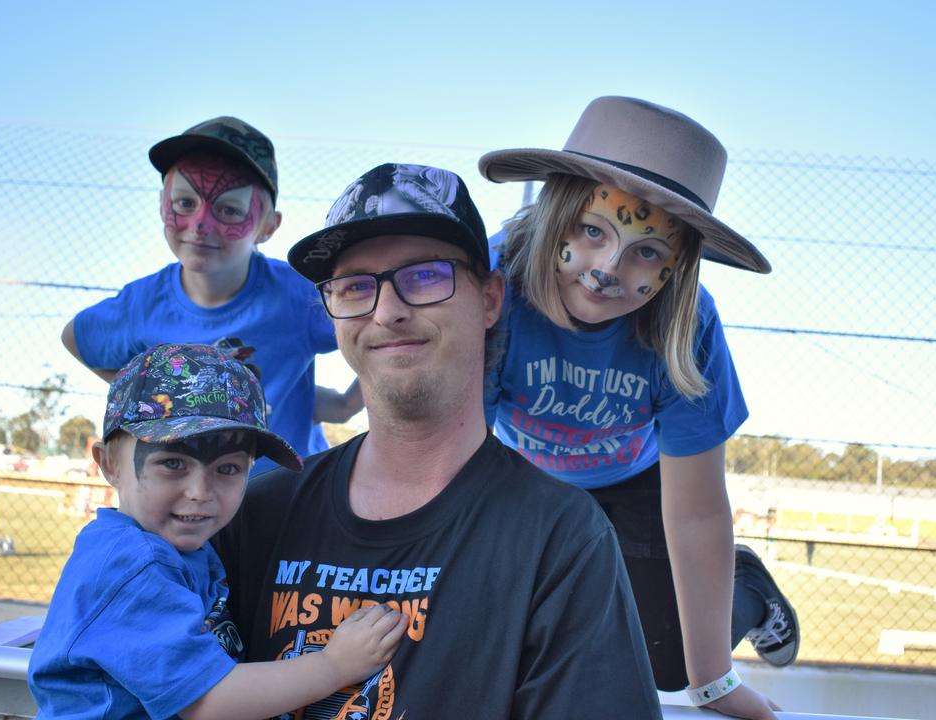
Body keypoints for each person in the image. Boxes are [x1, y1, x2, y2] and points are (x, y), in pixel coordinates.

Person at [214, 163, 662, 719]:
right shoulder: (255, 514)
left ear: (491, 298)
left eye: (425, 276)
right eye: (354, 286)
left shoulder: (558, 539)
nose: (388, 311)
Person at [478, 96, 796, 718]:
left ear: (677, 267)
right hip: (525, 476)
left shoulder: (687, 325)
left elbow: (698, 510)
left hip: (637, 481)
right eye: (592, 231)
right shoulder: (494, 281)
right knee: (511, 635)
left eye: (647, 252)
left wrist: (716, 683)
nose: (606, 270)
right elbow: (460, 463)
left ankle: (747, 588)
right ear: (553, 212)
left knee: (665, 664)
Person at [29, 343, 405, 719]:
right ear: (109, 464)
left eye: (227, 469)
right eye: (172, 463)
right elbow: (208, 702)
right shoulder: (132, 566)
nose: (200, 493)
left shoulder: (178, 550)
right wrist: (334, 666)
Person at [61, 116, 361, 475]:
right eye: (185, 203)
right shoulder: (142, 306)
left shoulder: (297, 295)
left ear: (268, 226)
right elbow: (75, 337)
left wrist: (347, 405)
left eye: (229, 209)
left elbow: (372, 324)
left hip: (288, 500)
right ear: (161, 204)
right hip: (194, 502)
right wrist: (150, 393)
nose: (201, 224)